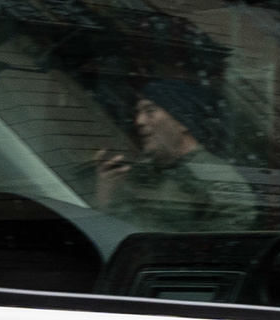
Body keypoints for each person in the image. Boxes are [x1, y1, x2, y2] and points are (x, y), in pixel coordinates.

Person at [93, 78, 253, 232]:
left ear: (181, 121)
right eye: (138, 113)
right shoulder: (141, 171)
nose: (139, 121)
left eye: (150, 111)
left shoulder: (217, 178)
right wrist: (106, 193)